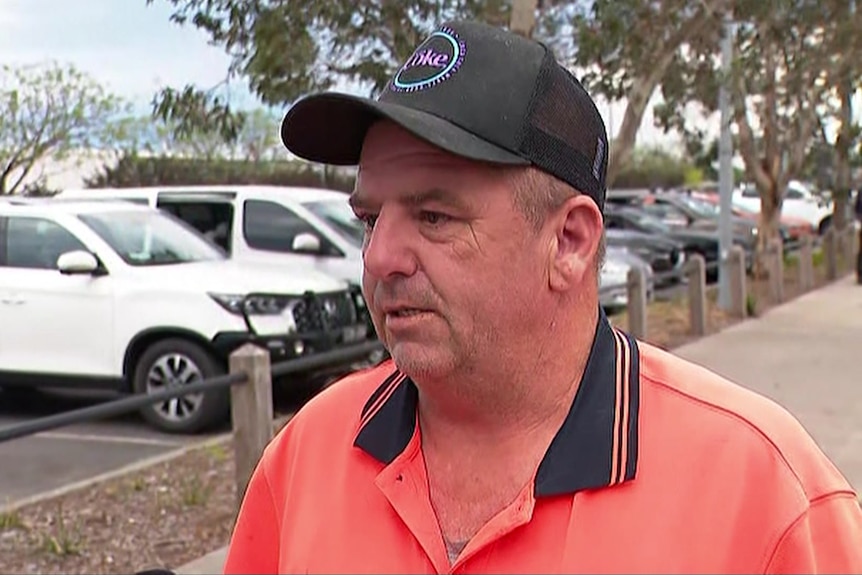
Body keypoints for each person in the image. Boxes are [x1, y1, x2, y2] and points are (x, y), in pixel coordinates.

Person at [223, 20, 862, 574]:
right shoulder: (307, 454)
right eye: (370, 220)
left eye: (436, 217)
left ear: (570, 242)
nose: (380, 258)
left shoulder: (764, 494)